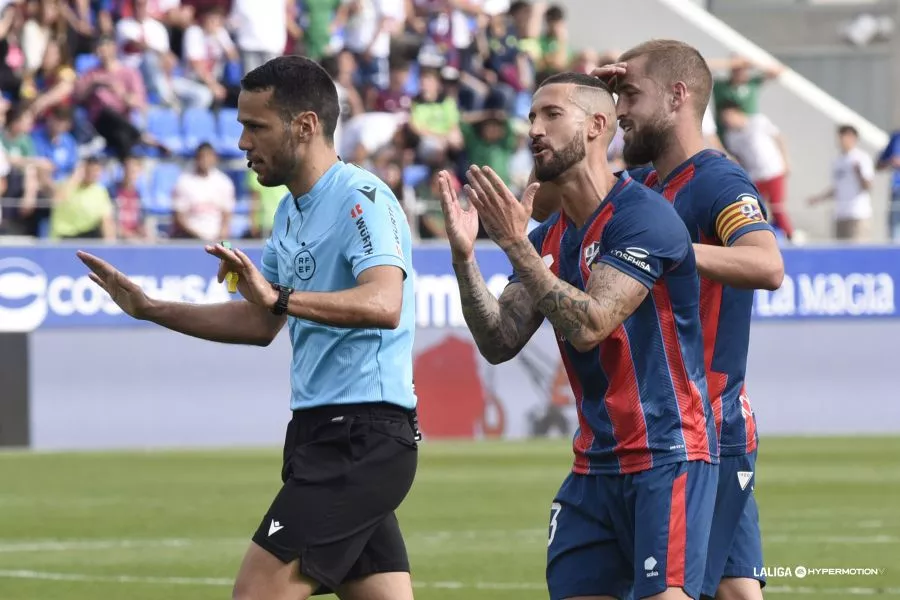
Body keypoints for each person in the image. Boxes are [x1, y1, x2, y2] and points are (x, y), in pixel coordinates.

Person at [76, 55, 419, 600]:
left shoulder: (361, 198)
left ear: (304, 126)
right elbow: (262, 321)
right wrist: (151, 308)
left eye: (255, 126)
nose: (241, 142)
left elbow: (384, 302)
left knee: (254, 592)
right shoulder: (287, 211)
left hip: (362, 435)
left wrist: (281, 296)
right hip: (319, 432)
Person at [439, 71, 719, 600]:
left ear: (596, 126)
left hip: (666, 452)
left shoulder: (646, 219)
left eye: (550, 115)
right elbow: (499, 341)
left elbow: (591, 325)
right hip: (593, 466)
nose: (534, 130)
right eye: (531, 118)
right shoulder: (551, 237)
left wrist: (516, 245)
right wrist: (464, 257)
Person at [533, 40, 785, 600]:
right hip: (678, 425)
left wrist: (661, 251)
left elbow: (767, 264)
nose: (622, 111)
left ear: (678, 96)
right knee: (736, 589)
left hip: (705, 425)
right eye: (615, 98)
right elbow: (545, 203)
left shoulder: (717, 180)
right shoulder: (643, 186)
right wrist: (585, 108)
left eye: (630, 95)